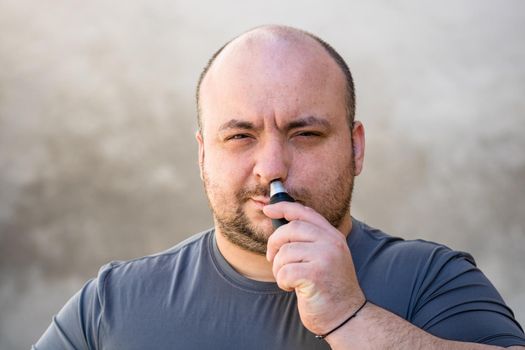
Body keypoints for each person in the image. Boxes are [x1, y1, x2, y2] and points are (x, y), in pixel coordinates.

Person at [33, 25, 525, 349]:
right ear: (204, 155)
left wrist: (350, 317)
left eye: (305, 134)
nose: (272, 168)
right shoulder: (113, 303)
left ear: (355, 149)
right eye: (240, 136)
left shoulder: (432, 279)